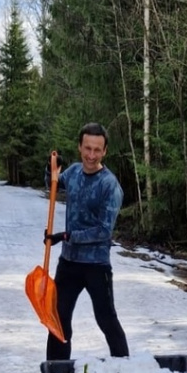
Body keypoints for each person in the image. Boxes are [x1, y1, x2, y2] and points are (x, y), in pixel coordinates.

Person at [45, 122, 129, 361]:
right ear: (80, 147)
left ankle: (125, 370)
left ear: (105, 152)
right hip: (69, 263)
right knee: (58, 322)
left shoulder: (109, 185)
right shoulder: (72, 172)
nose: (91, 155)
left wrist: (66, 236)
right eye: (87, 148)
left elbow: (104, 231)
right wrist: (50, 169)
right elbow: (54, 184)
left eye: (97, 150)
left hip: (96, 266)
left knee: (106, 319)